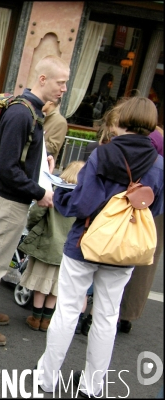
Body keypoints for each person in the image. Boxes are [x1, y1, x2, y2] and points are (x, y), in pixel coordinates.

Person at [36, 96, 164, 398]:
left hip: (86, 242)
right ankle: (92, 386)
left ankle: (47, 377)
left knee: (67, 310)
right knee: (107, 315)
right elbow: (155, 207)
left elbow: (83, 201)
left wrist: (60, 197)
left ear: (122, 120)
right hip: (126, 248)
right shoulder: (159, 165)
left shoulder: (103, 154)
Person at [0, 55, 70, 346]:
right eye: (60, 83)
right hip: (11, 201)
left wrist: (42, 165)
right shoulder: (23, 114)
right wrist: (40, 192)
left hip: (13, 200)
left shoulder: (29, 110)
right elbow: (8, 168)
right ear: (43, 80)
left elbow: (19, 161)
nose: (63, 89)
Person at [18, 161, 85, 332]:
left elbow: (35, 214)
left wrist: (33, 227)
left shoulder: (55, 195)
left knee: (41, 284)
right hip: (68, 250)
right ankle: (47, 320)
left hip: (46, 246)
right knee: (55, 287)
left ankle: (35, 318)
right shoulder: (83, 201)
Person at [118, 125, 164, 333]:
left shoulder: (152, 137)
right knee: (147, 259)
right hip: (157, 207)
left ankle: (118, 311)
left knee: (126, 255)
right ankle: (128, 313)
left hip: (143, 202)